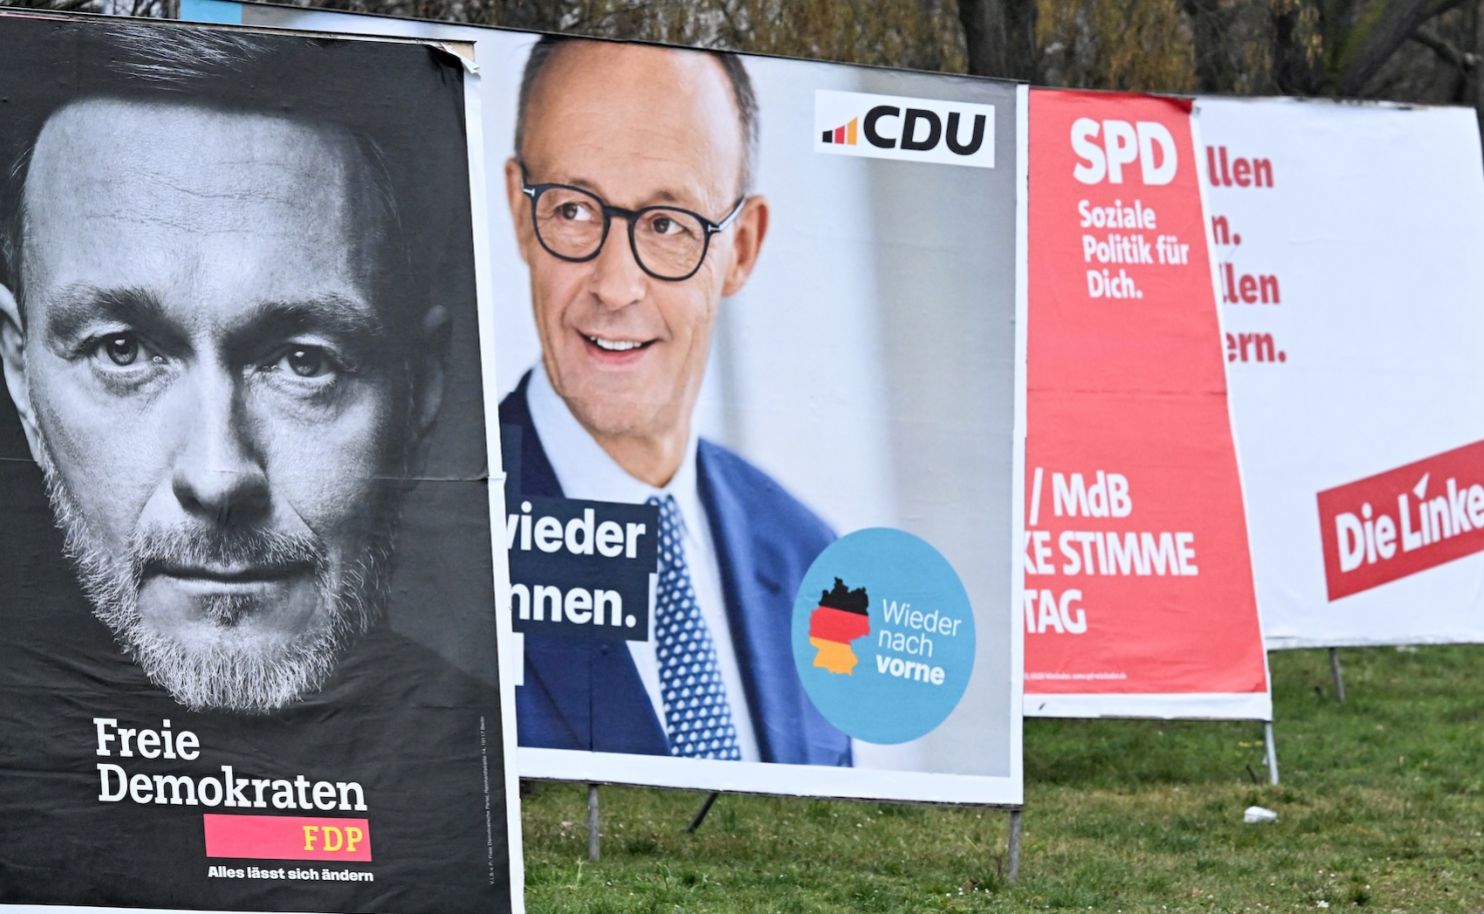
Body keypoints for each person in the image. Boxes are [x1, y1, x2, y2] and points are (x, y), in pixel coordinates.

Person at [0, 20, 510, 911]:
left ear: (422, 386)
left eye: (304, 361)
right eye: (122, 350)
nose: (219, 472)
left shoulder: (478, 771)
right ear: (18, 368)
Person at [500, 37, 852, 765]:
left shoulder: (813, 562)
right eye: (572, 210)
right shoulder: (424, 539)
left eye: (667, 226)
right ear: (518, 211)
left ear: (742, 248)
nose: (615, 285)